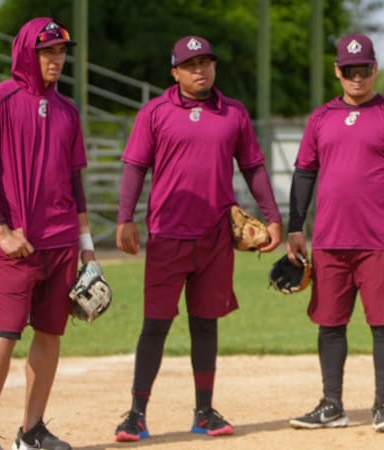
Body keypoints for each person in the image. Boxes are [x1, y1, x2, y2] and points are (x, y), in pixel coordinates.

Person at [112, 35, 283, 442]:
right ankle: (136, 414)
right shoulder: (155, 113)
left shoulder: (234, 114)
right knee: (155, 324)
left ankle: (204, 411)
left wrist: (274, 219)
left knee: (205, 324)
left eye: (206, 62)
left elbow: (254, 168)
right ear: (175, 72)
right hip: (168, 235)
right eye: (190, 64)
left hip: (215, 238)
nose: (199, 70)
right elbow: (135, 168)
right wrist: (125, 218)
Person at [285, 33, 384, 433]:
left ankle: (382, 405)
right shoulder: (320, 118)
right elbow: (305, 173)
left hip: (380, 243)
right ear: (338, 72)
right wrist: (296, 228)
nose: (357, 77)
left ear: (374, 68)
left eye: (363, 69)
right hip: (329, 240)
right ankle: (332, 406)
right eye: (349, 70)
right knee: (330, 324)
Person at [0, 17, 93, 450]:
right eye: (47, 51)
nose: (56, 60)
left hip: (62, 243)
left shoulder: (67, 110)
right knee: (5, 330)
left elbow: (76, 182)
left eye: (61, 52)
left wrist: (88, 249)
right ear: (26, 52)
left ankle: (32, 430)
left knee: (51, 333)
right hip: (18, 243)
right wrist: (0, 229)